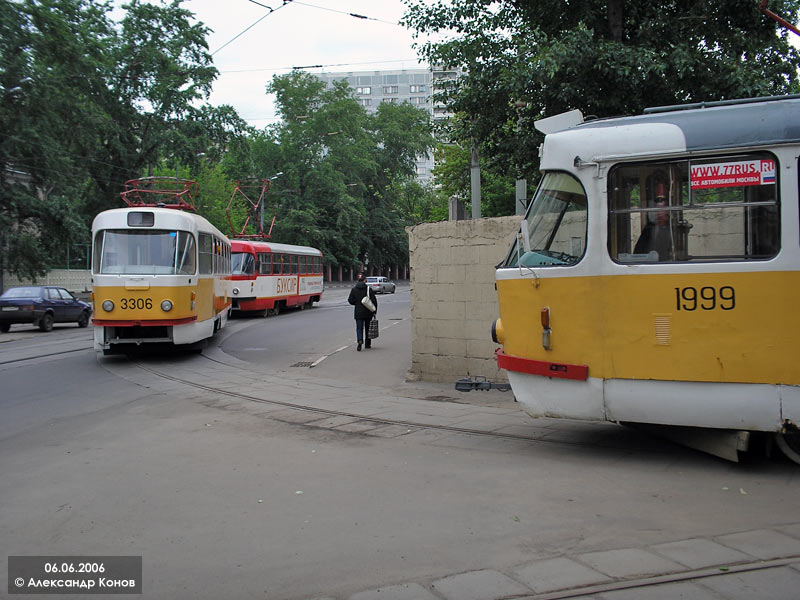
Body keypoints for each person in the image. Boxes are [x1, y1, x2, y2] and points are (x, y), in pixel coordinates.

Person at [347, 273, 377, 351]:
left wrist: (356, 303)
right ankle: (367, 344)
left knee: (359, 328)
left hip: (358, 312)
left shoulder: (354, 289)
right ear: (364, 280)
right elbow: (374, 301)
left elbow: (350, 300)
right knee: (368, 328)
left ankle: (360, 340)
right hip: (368, 312)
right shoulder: (368, 289)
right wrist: (374, 311)